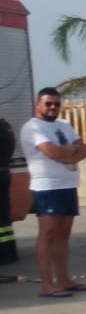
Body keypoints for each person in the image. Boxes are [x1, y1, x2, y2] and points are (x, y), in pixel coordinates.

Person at [20, 88, 86, 297]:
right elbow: (53, 152)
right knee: (48, 234)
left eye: (56, 104)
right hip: (47, 188)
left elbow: (84, 150)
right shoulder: (32, 127)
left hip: (68, 186)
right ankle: (47, 284)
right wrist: (69, 152)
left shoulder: (64, 125)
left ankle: (64, 279)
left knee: (64, 234)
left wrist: (67, 154)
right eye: (48, 103)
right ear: (38, 104)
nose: (52, 108)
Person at [0, 114, 16, 265]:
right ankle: (9, 252)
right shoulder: (6, 127)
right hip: (4, 173)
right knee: (4, 220)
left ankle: (4, 254)